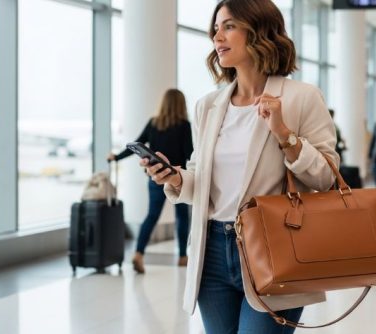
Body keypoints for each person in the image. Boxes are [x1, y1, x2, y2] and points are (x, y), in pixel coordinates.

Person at [141, 1, 339, 332]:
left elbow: (326, 177)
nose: (217, 36)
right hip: (212, 251)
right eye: (215, 28)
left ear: (260, 31)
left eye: (229, 26)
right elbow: (200, 179)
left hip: (275, 247)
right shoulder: (208, 106)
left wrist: (284, 134)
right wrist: (175, 178)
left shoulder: (301, 98)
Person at [107, 88, 193, 272]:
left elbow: (134, 146)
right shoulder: (184, 125)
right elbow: (189, 154)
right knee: (182, 217)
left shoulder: (154, 123)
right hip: (177, 178)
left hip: (155, 177)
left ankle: (138, 253)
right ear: (181, 104)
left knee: (151, 216)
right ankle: (183, 257)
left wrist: (116, 157)